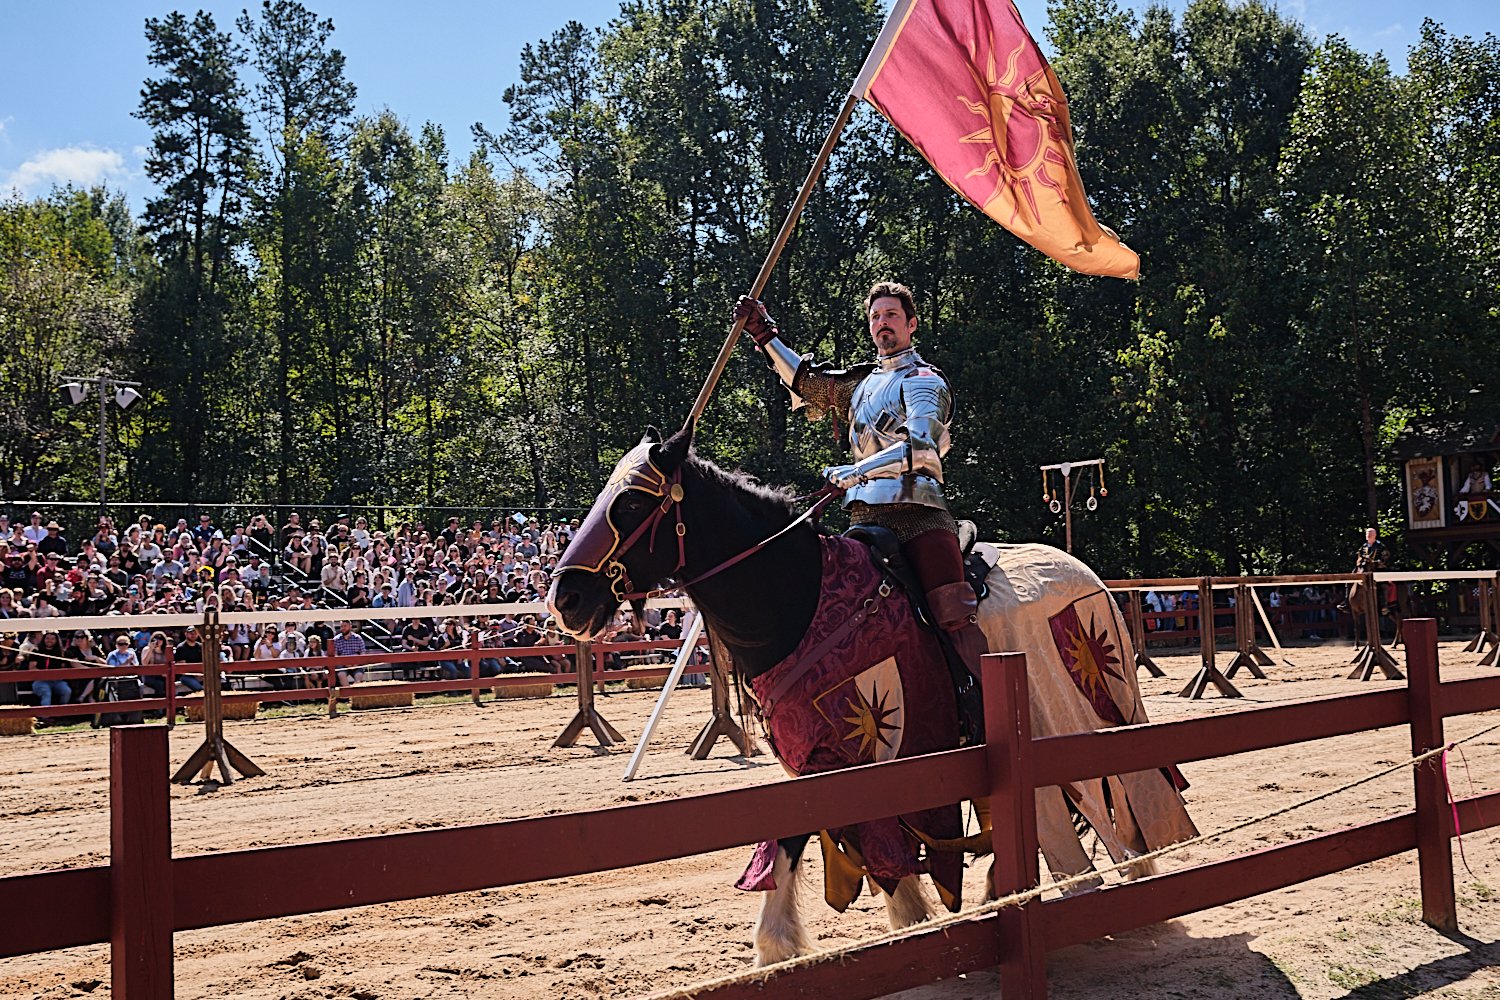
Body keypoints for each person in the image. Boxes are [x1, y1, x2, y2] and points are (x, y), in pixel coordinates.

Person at [734, 282, 988, 693]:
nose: (882, 323)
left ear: (911, 324)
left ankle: (987, 705)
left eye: (891, 315)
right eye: (875, 316)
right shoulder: (863, 385)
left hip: (920, 514)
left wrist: (856, 472)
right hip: (863, 518)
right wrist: (764, 335)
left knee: (952, 614)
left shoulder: (923, 379)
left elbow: (923, 451)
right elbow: (808, 382)